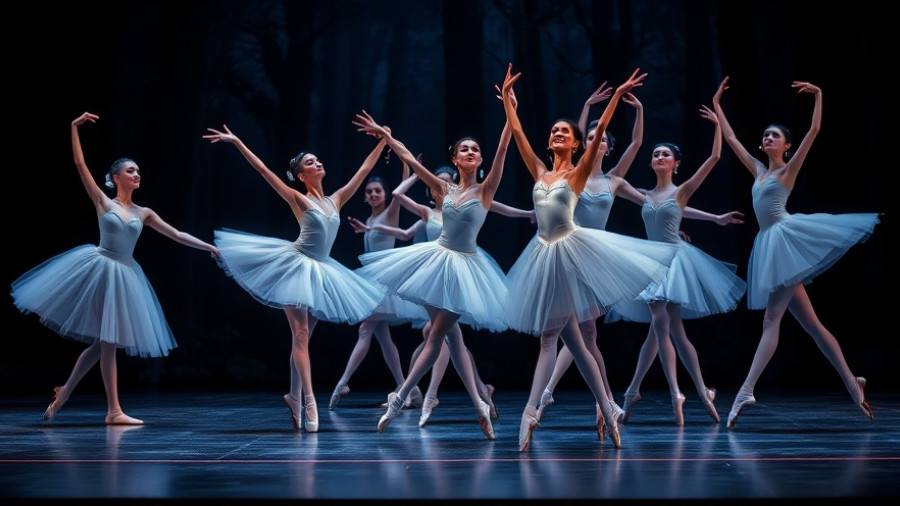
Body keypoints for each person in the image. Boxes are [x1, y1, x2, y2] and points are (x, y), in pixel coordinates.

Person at [500, 64, 676, 451]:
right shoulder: (540, 172)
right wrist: (509, 104)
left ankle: (531, 410)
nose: (558, 133)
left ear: (577, 145)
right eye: (554, 131)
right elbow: (517, 135)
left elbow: (600, 142)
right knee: (576, 344)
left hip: (571, 254)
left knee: (552, 337)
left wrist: (615, 98)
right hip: (542, 255)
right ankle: (609, 407)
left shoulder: (578, 175)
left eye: (566, 131)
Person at [12, 112, 220, 425]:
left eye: (138, 171)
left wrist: (208, 246)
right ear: (116, 177)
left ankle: (66, 391)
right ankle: (113, 411)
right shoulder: (103, 202)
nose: (137, 174)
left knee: (102, 342)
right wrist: (72, 128)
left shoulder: (144, 212)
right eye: (131, 170)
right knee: (107, 341)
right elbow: (80, 165)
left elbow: (176, 234)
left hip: (125, 273)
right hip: (99, 270)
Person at [711, 76, 879, 429]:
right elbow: (730, 140)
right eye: (766, 135)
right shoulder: (758, 171)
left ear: (786, 146)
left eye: (776, 136)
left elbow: (814, 131)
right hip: (772, 243)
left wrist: (819, 94)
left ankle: (746, 389)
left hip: (784, 240)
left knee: (772, 320)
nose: (768, 138)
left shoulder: (787, 171)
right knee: (813, 326)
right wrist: (717, 105)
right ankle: (852, 383)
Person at [203, 124, 389, 433]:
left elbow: (365, 168)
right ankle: (309, 400)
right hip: (296, 267)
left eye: (317, 161)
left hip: (323, 270)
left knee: (302, 339)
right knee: (301, 335)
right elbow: (264, 171)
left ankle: (293, 394)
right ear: (302, 175)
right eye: (309, 163)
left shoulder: (337, 198)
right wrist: (238, 141)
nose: (316, 164)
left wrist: (384, 140)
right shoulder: (297, 199)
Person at [351, 98, 515, 440]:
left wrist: (509, 110)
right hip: (434, 261)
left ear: (480, 159)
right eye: (464, 150)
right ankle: (479, 403)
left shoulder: (486, 190)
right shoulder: (444, 189)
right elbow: (410, 159)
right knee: (450, 339)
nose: (471, 152)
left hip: (467, 267)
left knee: (440, 333)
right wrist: (386, 135)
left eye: (475, 149)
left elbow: (503, 147)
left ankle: (401, 396)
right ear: (455, 160)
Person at [603, 105, 747, 426]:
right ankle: (689, 389)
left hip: (674, 261)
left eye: (665, 154)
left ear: (676, 164)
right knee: (670, 331)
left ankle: (673, 393)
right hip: (651, 261)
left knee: (662, 326)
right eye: (655, 154)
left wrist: (718, 126)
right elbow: (613, 180)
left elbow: (713, 160)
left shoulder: (681, 191)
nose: (659, 157)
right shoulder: (643, 195)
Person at [363, 164, 533, 426]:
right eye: (437, 182)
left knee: (439, 335)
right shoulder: (428, 212)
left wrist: (528, 213)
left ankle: (422, 395)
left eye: (444, 181)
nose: (440, 185)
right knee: (451, 338)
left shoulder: (471, 198)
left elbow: (500, 207)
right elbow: (400, 208)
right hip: (436, 270)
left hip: (461, 271)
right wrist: (404, 164)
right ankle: (480, 396)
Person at [328, 161, 428, 411]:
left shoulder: (390, 213)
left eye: (378, 191)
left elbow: (400, 193)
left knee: (365, 329)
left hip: (385, 283)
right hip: (371, 283)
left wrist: (411, 171)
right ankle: (408, 390)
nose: (373, 194)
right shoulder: (370, 218)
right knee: (383, 338)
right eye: (369, 192)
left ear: (385, 194)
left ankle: (343, 381)